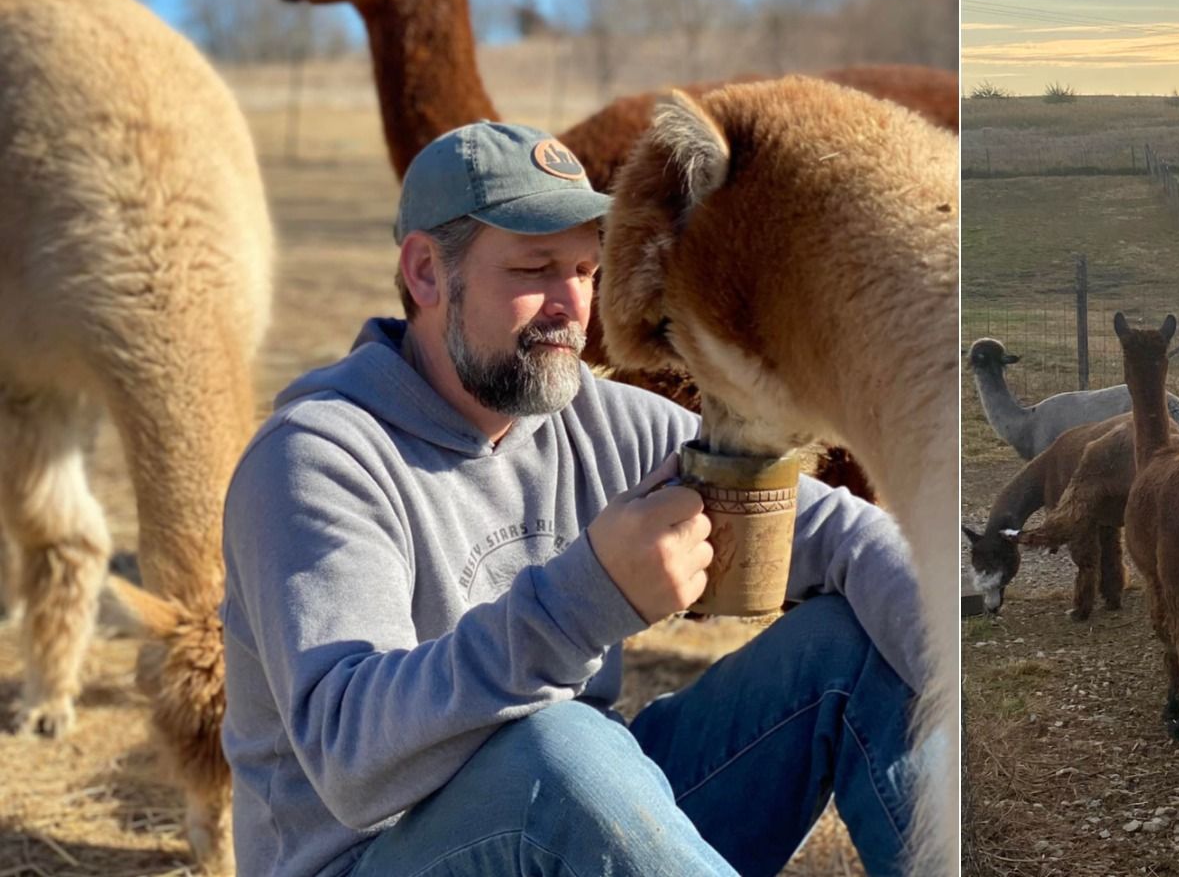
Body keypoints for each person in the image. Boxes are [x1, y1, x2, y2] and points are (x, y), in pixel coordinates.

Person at [221, 121, 925, 877]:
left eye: (587, 270)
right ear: (426, 273)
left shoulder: (593, 418)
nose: (572, 306)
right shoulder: (317, 458)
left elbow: (847, 535)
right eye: (535, 268)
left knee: (848, 648)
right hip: (377, 855)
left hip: (569, 828)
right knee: (563, 748)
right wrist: (586, 599)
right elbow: (353, 760)